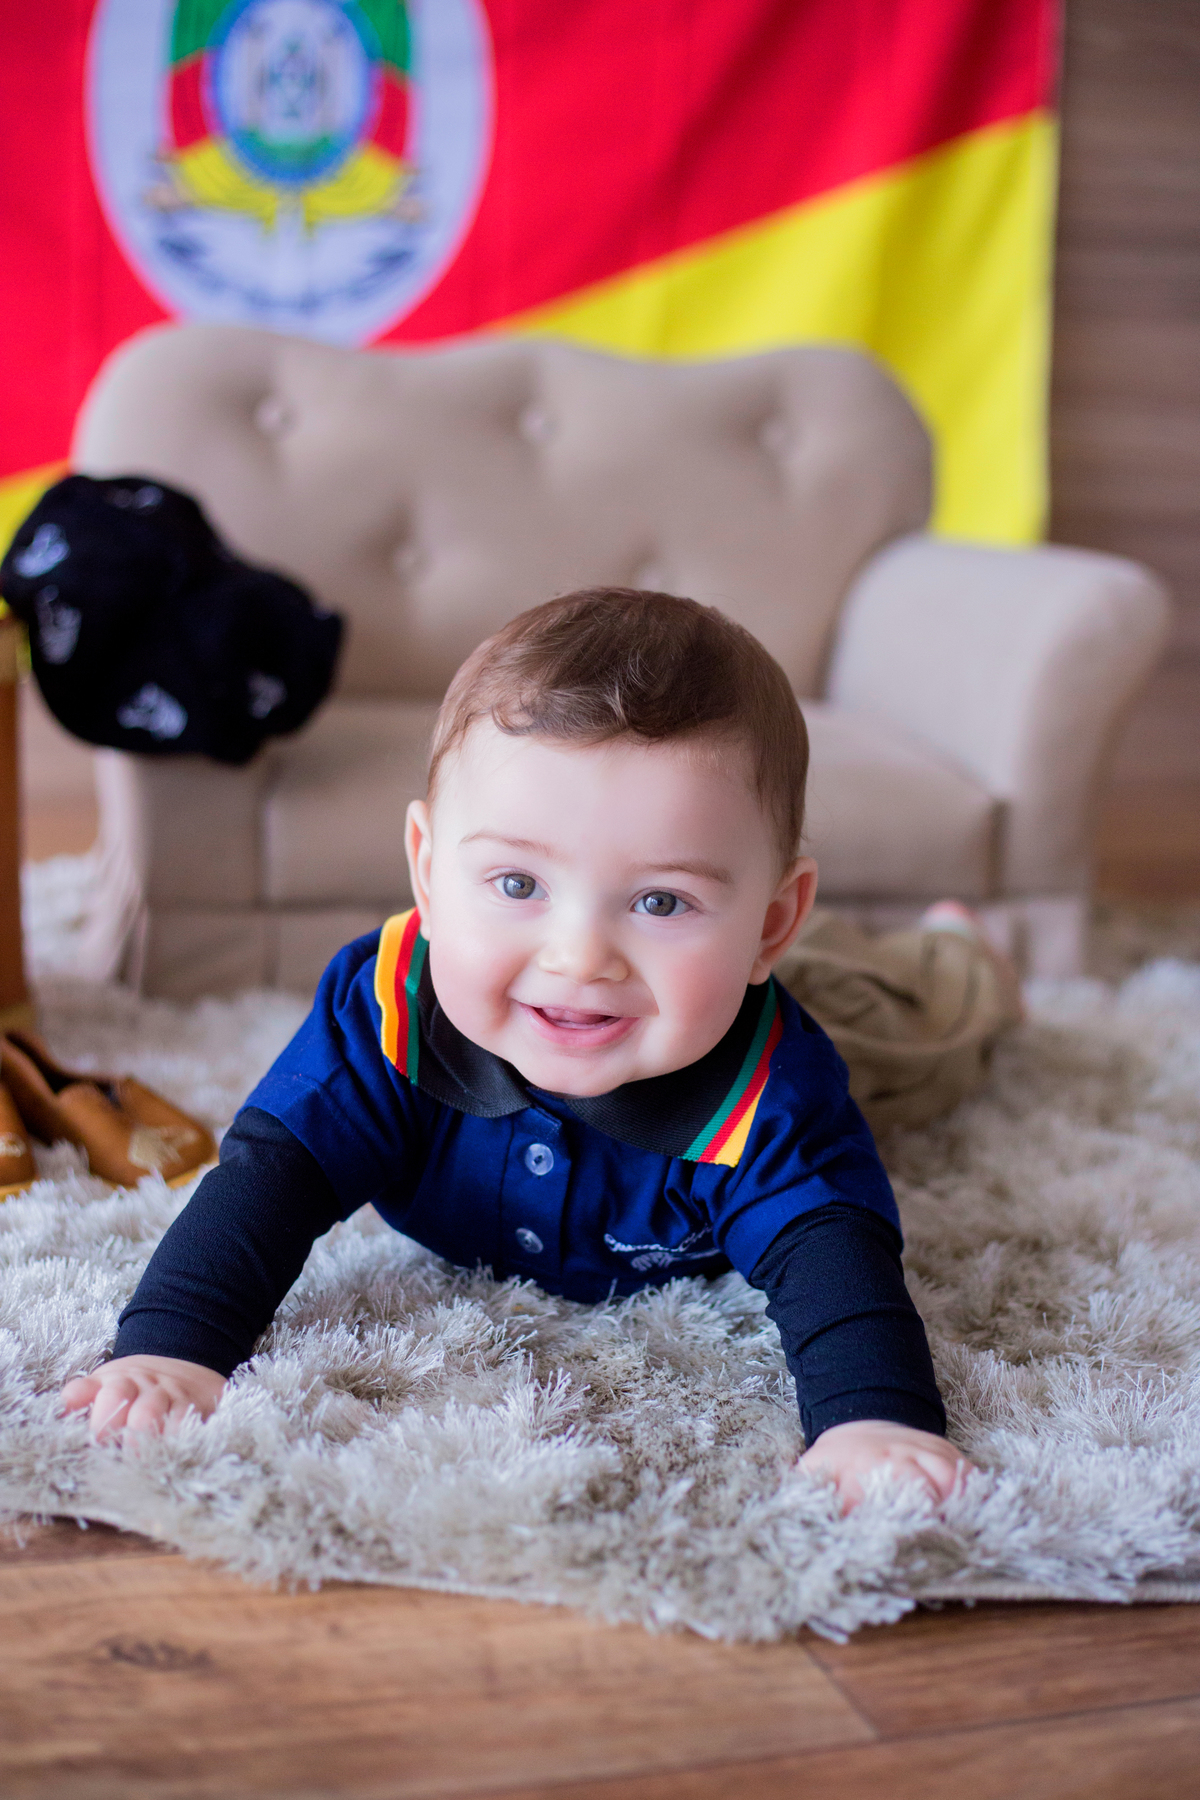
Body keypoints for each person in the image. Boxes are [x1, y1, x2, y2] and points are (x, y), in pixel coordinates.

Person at [61, 588, 1002, 1510]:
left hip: (822, 1018)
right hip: (718, 975)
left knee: (922, 1028)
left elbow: (830, 1246)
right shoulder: (384, 1015)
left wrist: (871, 1419)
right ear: (429, 872)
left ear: (770, 922)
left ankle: (957, 952)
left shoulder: (776, 1091)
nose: (579, 958)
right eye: (517, 883)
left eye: (660, 901)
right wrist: (173, 1347)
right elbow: (271, 1173)